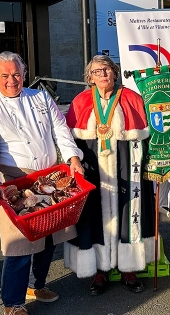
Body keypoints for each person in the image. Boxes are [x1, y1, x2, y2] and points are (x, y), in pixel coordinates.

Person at [0, 51, 84, 315]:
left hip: (47, 177)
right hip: (14, 181)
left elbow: (60, 130)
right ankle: (12, 302)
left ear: (24, 74)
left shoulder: (41, 97)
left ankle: (37, 285)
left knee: (48, 236)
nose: (12, 80)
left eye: (16, 74)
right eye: (5, 76)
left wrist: (72, 157)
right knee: (20, 245)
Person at [65, 55, 155, 295]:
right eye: (97, 71)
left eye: (106, 69)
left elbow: (148, 136)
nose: (102, 74)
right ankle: (99, 271)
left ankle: (130, 269)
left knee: (129, 213)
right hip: (94, 169)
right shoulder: (80, 101)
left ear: (115, 72)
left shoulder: (132, 98)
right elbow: (69, 141)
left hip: (127, 165)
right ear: (90, 78)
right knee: (94, 217)